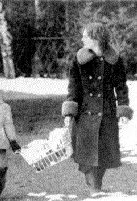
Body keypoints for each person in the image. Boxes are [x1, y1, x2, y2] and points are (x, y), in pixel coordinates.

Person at [62, 22, 133, 196]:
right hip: (85, 113)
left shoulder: (114, 60)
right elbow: (74, 87)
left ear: (95, 38)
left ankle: (96, 187)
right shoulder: (79, 60)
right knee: (86, 156)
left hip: (107, 113)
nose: (82, 39)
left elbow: (121, 86)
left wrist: (122, 110)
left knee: (102, 154)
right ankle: (94, 190)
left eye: (85, 36)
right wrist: (70, 111)